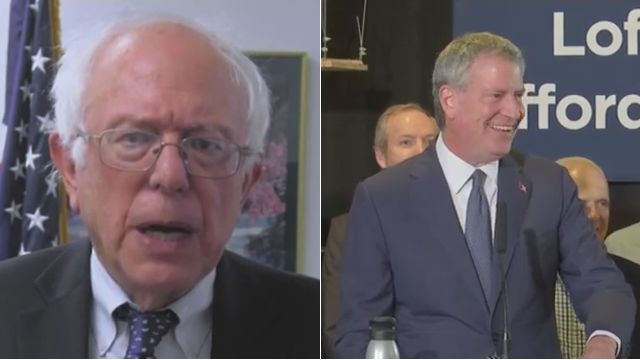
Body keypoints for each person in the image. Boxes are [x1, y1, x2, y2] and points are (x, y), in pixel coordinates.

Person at [0, 17, 318, 358]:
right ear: (71, 169)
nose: (170, 176)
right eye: (134, 138)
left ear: (246, 181)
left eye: (206, 145)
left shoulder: (312, 323)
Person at [334, 32, 635, 358]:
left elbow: (601, 283)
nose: (515, 110)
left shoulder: (549, 185)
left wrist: (603, 343)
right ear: (449, 100)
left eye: (518, 96)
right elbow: (359, 330)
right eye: (497, 96)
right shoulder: (383, 198)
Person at [322, 103, 438, 342]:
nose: (421, 151)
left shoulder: (472, 218)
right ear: (381, 156)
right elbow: (341, 327)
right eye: (406, 142)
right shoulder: (348, 229)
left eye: (431, 142)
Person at [554, 156, 640, 359]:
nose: (594, 214)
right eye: (580, 203)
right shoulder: (518, 281)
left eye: (602, 203)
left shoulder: (635, 281)